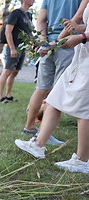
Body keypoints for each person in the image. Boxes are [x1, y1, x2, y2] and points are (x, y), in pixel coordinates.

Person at [15, 0, 89, 174]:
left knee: (84, 107)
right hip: (81, 54)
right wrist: (54, 43)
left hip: (85, 54)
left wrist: (82, 37)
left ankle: (82, 160)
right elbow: (78, 22)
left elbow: (81, 28)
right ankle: (38, 145)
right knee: (55, 97)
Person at [19, 0, 81, 145]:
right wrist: (56, 43)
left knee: (41, 88)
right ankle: (41, 135)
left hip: (47, 45)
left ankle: (29, 127)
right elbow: (75, 21)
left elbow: (41, 19)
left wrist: (44, 42)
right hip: (66, 44)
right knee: (56, 93)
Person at [0, 0, 34, 103]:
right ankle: (0, 96)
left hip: (23, 47)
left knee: (15, 72)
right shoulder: (16, 13)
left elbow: (29, 32)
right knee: (7, 70)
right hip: (14, 46)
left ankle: (8, 95)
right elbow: (8, 31)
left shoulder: (28, 15)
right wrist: (12, 48)